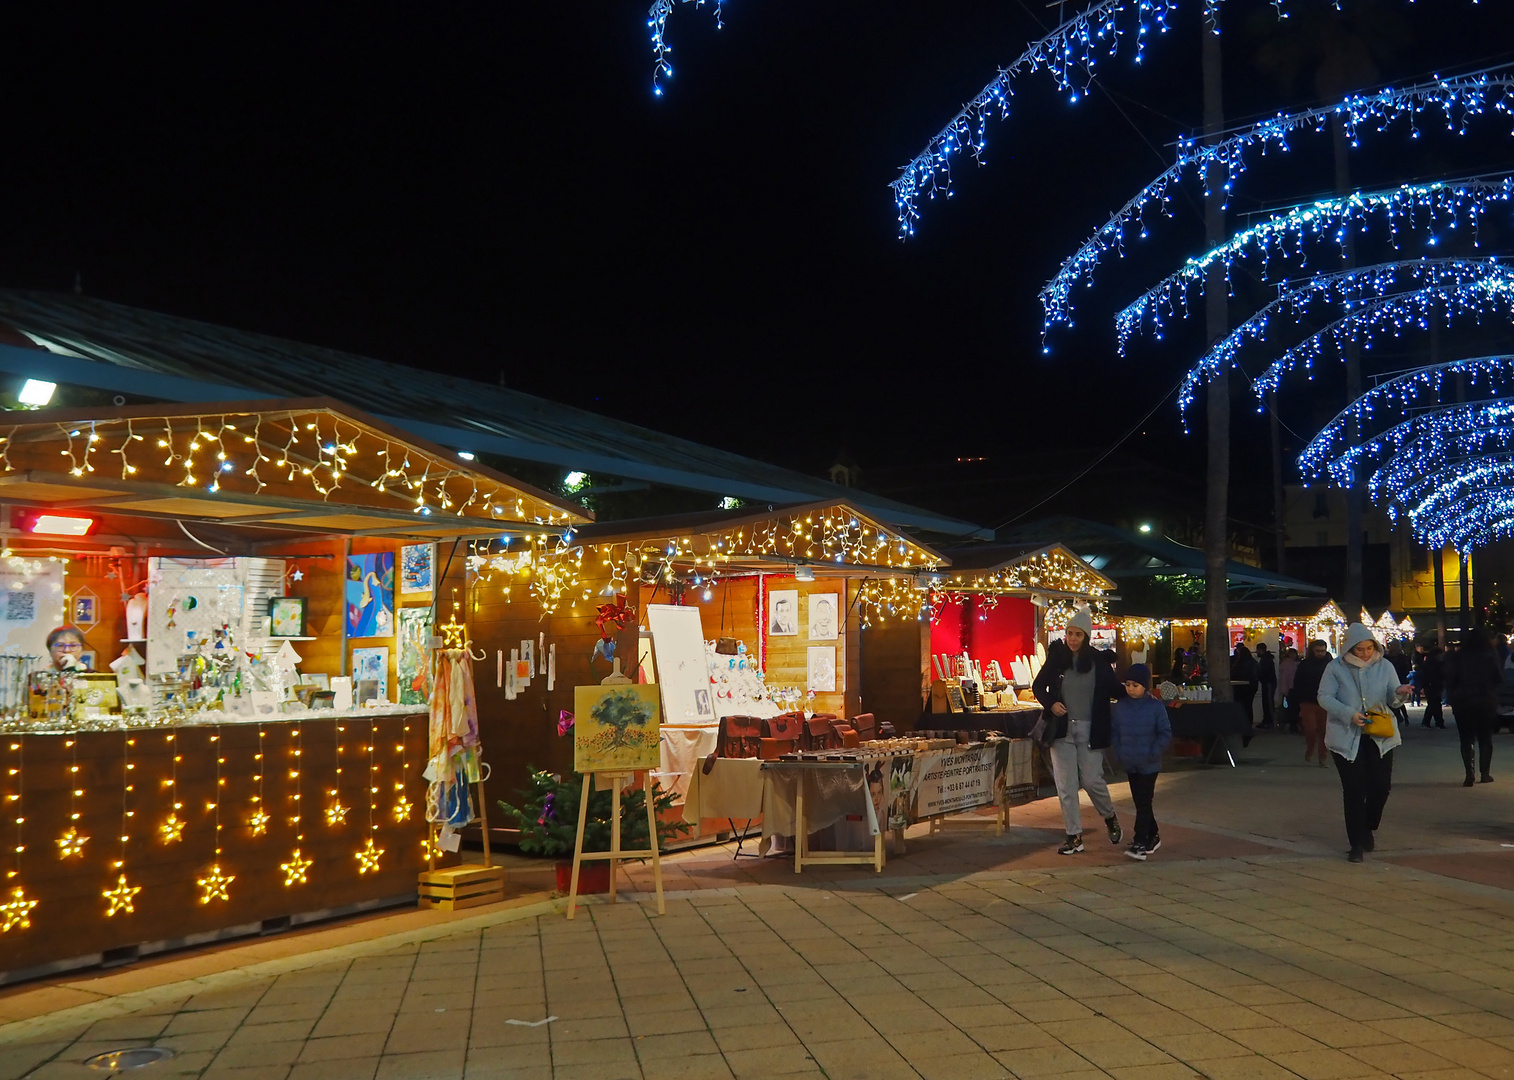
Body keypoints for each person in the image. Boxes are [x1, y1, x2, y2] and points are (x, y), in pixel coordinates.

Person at [1318, 623, 1413, 862]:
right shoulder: (1335, 668)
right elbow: (1324, 697)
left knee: (1381, 787)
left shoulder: (1385, 665)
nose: (1365, 653)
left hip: (1380, 735)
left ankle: (1368, 825)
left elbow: (1393, 697)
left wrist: (1400, 692)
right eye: (1360, 649)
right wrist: (1348, 713)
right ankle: (1356, 844)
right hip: (1346, 737)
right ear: (1349, 647)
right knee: (1353, 791)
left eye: (1369, 648)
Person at [1032, 607, 1122, 855]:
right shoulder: (1057, 657)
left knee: (1093, 780)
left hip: (1091, 730)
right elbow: (1038, 685)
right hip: (1061, 732)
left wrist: (1138, 692)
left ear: (1087, 636)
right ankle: (1074, 836)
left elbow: (1115, 689)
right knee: (1066, 786)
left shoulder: (1098, 661)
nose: (1072, 639)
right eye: (1069, 633)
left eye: (1078, 635)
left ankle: (1109, 816)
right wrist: (1051, 703)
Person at [1109, 663, 1171, 860]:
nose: (1130, 688)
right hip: (1130, 761)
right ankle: (1152, 834)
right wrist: (1119, 751)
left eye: (1135, 685)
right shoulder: (1120, 708)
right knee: (1140, 801)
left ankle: (1141, 840)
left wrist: (1153, 752)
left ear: (1144, 686)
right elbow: (1115, 732)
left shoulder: (1155, 707)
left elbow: (1164, 732)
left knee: (1144, 801)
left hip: (1148, 763)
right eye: (1127, 684)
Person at [1445, 627, 1503, 787]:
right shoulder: (1490, 655)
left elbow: (1450, 679)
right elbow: (1498, 678)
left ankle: (1469, 773)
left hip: (1463, 701)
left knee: (1466, 738)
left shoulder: (1458, 656)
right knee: (1485, 738)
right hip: (1485, 701)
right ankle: (1485, 773)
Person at [1293, 639, 1333, 766]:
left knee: (1324, 731)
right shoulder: (1305, 664)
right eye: (1318, 651)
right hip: (1308, 701)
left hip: (1325, 701)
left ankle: (1323, 757)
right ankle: (1310, 749)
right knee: (1310, 728)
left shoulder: (1330, 664)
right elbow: (1298, 682)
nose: (1320, 653)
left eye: (1322, 651)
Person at [1417, 642, 1447, 729]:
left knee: (1433, 704)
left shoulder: (1428, 662)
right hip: (1433, 685)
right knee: (1434, 704)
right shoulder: (1435, 664)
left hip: (1430, 685)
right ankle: (1436, 722)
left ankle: (1432, 722)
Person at [1230, 643, 1260, 726]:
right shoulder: (1253, 662)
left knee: (1241, 706)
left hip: (1240, 687)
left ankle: (1241, 723)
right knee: (1248, 705)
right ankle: (1249, 724)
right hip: (1252, 686)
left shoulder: (1238, 663)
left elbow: (1233, 674)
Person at [1256, 642, 1278, 729]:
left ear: (1260, 650)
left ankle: (1269, 721)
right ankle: (1267, 720)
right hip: (1268, 682)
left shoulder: (1265, 660)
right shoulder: (1268, 659)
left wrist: (1259, 676)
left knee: (1267, 702)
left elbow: (1265, 672)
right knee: (1267, 702)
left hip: (1268, 682)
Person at [1278, 646, 1300, 733]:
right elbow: (1284, 678)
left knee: (1291, 708)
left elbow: (1283, 678)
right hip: (1291, 688)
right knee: (1292, 708)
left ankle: (1291, 725)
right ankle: (1293, 725)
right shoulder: (1293, 664)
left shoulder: (1286, 664)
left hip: (1292, 688)